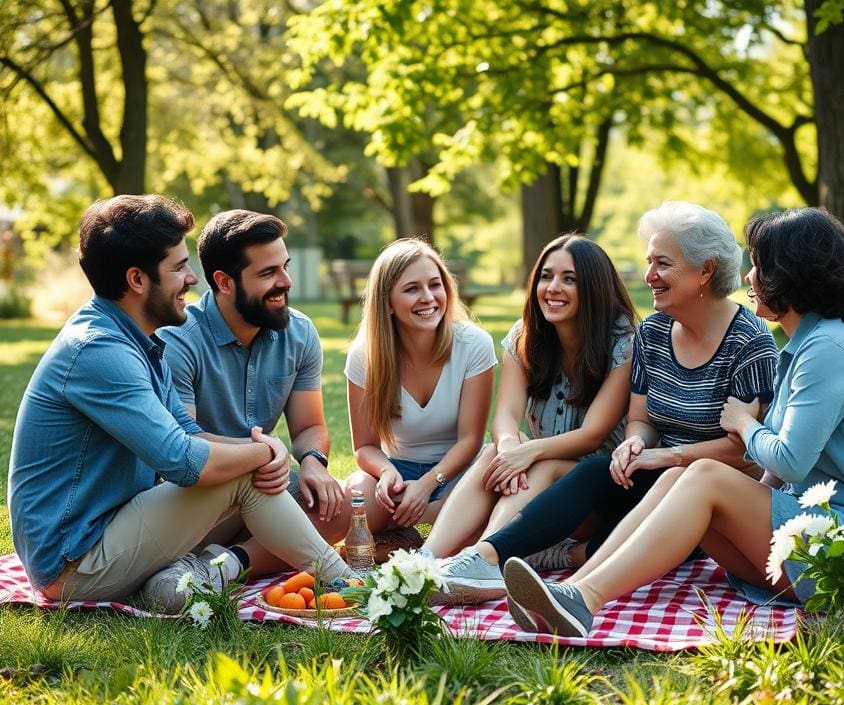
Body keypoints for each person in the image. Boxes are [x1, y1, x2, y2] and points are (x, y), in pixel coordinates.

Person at [501, 207, 844, 638]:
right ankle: (573, 590)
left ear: (791, 275)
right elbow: (779, 471)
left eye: (758, 265)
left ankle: (583, 599)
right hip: (813, 535)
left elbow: (790, 461)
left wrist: (742, 424)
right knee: (678, 478)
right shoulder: (806, 344)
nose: (747, 277)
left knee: (702, 474)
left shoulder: (829, 348)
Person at [7, 195, 353, 613]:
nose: (192, 278)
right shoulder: (100, 350)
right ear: (137, 279)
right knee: (239, 475)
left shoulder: (137, 340)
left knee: (255, 476)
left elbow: (188, 435)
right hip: (74, 562)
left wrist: (265, 458)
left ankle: (216, 571)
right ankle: (353, 586)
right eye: (178, 267)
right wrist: (266, 451)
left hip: (112, 531)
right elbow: (184, 461)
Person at [438, 203, 779, 603]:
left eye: (662, 264)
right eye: (649, 262)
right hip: (650, 478)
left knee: (611, 480)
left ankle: (549, 567)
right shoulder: (653, 332)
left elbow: (748, 453)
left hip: (708, 502)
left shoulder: (750, 341)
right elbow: (641, 419)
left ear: (705, 271)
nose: (649, 276)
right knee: (595, 470)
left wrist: (664, 456)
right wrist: (636, 442)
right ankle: (485, 558)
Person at [424, 234, 638, 600]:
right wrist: (510, 447)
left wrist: (529, 452)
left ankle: (486, 559)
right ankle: (426, 560)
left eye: (569, 279)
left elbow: (593, 434)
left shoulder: (623, 340)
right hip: (536, 484)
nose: (553, 288)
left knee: (540, 463)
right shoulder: (526, 336)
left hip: (599, 491)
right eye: (546, 276)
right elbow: (506, 414)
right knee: (495, 451)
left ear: (594, 286)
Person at [158, 210, 348, 577]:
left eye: (285, 267)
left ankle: (228, 566)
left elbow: (310, 425)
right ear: (224, 282)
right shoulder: (177, 339)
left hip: (266, 481)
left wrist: (312, 463)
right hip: (199, 493)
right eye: (268, 273)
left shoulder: (300, 333)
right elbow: (184, 442)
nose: (286, 282)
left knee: (335, 511)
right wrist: (261, 455)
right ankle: (215, 555)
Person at [344, 238, 497, 534]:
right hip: (397, 474)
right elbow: (364, 447)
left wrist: (427, 485)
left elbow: (471, 440)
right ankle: (428, 523)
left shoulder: (474, 345)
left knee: (495, 483)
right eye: (412, 289)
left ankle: (421, 524)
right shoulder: (365, 356)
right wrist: (387, 472)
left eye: (435, 285)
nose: (428, 297)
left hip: (460, 473)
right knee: (353, 499)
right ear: (387, 303)